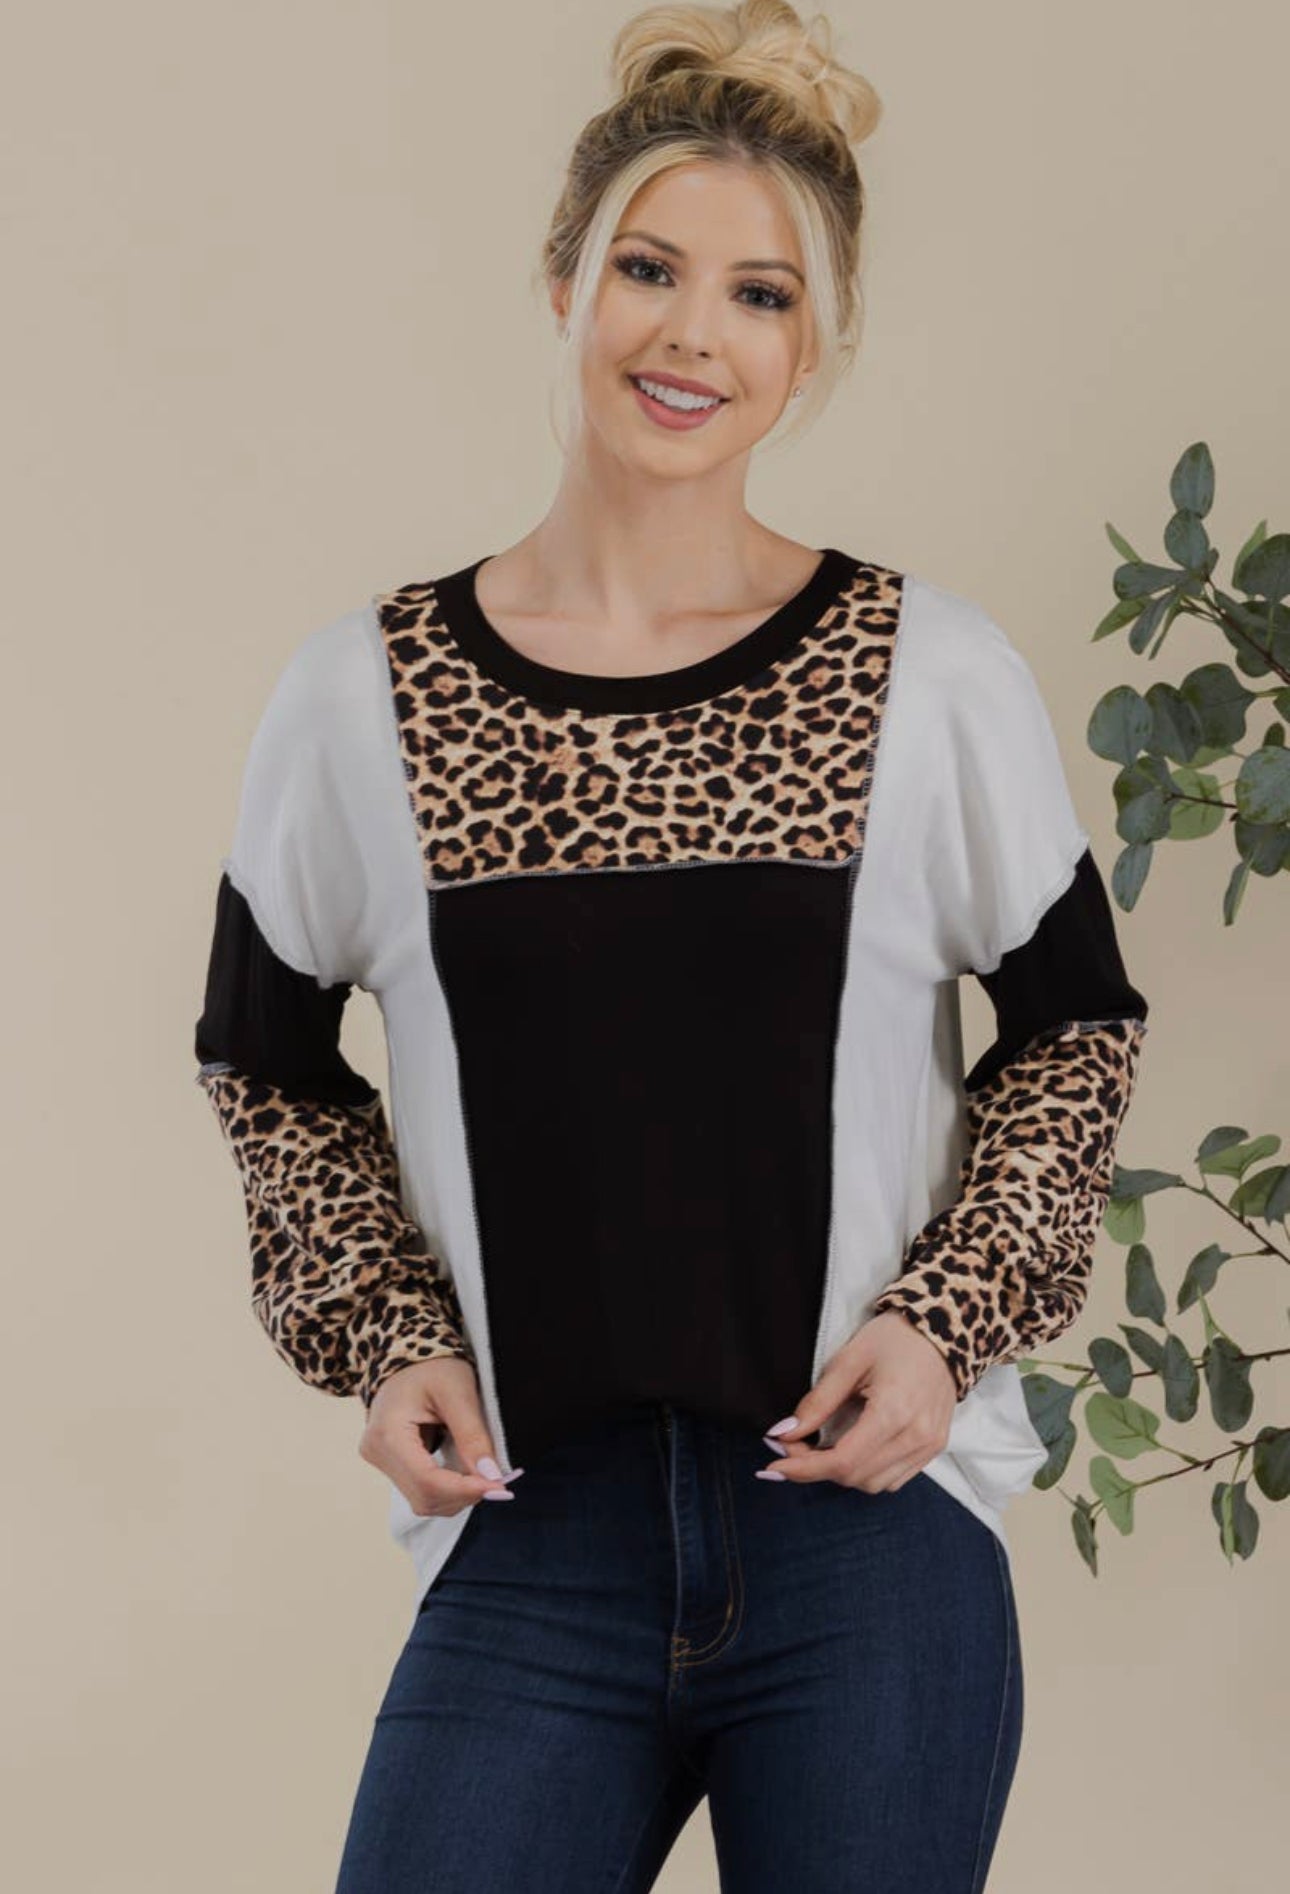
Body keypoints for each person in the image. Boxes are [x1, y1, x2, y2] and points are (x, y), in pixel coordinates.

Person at [193, 3, 1149, 1887]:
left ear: (811, 348)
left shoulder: (928, 676)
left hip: (862, 1533)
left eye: (759, 294)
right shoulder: (362, 698)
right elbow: (266, 1062)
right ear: (563, 278)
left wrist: (945, 1322)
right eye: (648, 268)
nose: (692, 334)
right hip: (537, 1532)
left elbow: (1075, 1029)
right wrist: (386, 1331)